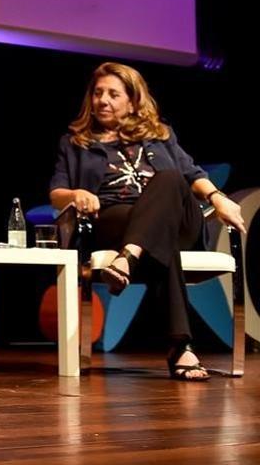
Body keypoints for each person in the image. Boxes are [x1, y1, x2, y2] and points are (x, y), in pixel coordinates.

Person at [49, 62, 247, 380]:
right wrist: (76, 194)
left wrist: (218, 198)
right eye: (98, 93)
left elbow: (193, 175)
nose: (103, 100)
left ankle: (127, 259)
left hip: (178, 220)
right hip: (115, 219)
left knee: (170, 179)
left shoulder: (160, 136)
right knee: (160, 238)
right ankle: (181, 347)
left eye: (113, 94)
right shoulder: (75, 143)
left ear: (133, 100)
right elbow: (55, 192)